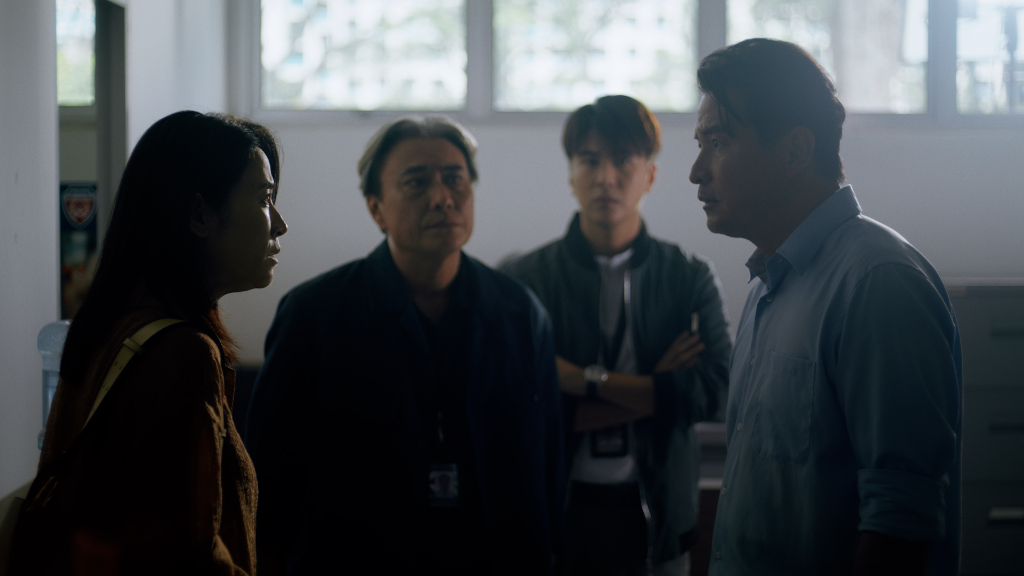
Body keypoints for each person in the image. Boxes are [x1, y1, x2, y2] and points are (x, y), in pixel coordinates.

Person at [689, 39, 962, 575]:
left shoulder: (879, 283)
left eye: (717, 142)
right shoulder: (767, 283)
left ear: (795, 151)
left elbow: (899, 522)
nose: (697, 171)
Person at [245, 117, 564, 575]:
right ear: (376, 208)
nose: (442, 197)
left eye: (455, 179)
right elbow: (271, 475)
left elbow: (547, 462)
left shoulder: (519, 314)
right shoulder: (316, 315)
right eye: (416, 182)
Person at [11, 111, 288, 575]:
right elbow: (186, 552)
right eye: (264, 199)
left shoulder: (115, 325)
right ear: (199, 215)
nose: (279, 224)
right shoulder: (182, 353)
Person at [503, 95, 732, 576]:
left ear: (650, 175)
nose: (605, 177)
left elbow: (718, 392)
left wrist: (582, 380)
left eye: (623, 159)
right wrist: (658, 388)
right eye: (589, 160)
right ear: (571, 174)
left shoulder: (688, 277)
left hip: (660, 516)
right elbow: (515, 409)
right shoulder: (525, 280)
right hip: (558, 513)